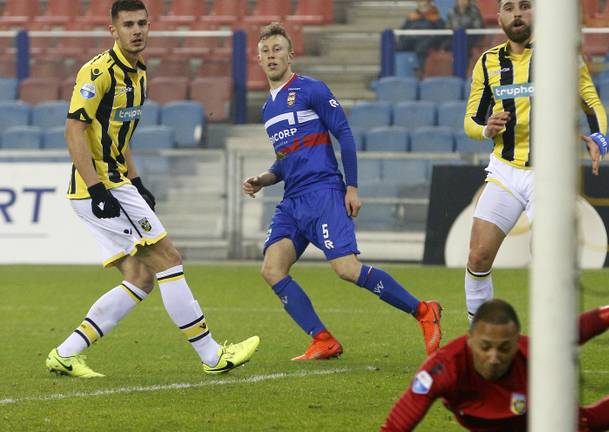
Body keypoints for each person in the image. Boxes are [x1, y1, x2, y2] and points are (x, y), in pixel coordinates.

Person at [46, 0, 260, 378]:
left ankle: (66, 352)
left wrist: (137, 179)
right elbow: (73, 130)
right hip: (101, 185)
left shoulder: (140, 73)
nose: (137, 30)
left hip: (119, 181)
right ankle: (212, 355)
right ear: (113, 29)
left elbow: (121, 132)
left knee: (141, 277)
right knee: (168, 259)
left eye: (142, 23)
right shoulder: (97, 71)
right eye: (128, 24)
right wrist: (97, 190)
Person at [242, 23, 442, 361]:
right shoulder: (267, 109)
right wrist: (264, 178)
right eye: (265, 51)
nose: (271, 56)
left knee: (347, 270)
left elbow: (344, 134)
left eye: (277, 49)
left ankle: (423, 310)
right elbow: (284, 160)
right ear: (258, 60)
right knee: (272, 269)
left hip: (323, 192)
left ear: (291, 55)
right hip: (292, 200)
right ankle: (322, 340)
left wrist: (352, 186)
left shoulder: (311, 89)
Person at [382, 263, 609, 431]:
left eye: (504, 348)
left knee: (586, 424)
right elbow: (396, 426)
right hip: (486, 420)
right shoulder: (443, 368)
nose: (493, 357)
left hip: (534, 415)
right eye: (485, 346)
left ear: (517, 342)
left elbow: (573, 332)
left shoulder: (531, 355)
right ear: (470, 339)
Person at [462, 0, 609, 322]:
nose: (518, 13)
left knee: (546, 259)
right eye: (509, 7)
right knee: (478, 256)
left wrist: (599, 138)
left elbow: (590, 101)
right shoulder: (487, 63)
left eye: (525, 6)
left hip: (549, 174)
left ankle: (550, 344)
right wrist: (486, 129)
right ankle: (478, 334)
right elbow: (471, 121)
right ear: (499, 17)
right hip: (505, 171)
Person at [398, 0, 447, 71]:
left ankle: (422, 71)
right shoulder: (412, 17)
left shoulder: (435, 17)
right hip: (411, 39)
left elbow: (441, 33)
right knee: (395, 46)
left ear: (429, 5)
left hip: (426, 41)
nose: (422, 6)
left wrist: (433, 39)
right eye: (420, 4)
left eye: (424, 4)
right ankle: (387, 71)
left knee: (421, 48)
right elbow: (403, 31)